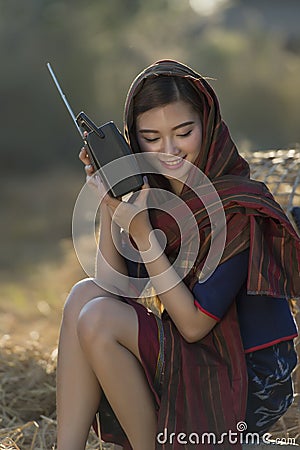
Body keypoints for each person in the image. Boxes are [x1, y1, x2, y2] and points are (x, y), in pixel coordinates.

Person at [56, 60, 300, 450]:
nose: (168, 151)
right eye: (151, 138)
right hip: (195, 357)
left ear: (208, 124)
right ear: (134, 141)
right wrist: (109, 203)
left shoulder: (237, 205)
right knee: (84, 296)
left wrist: (142, 234)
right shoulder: (156, 196)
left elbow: (193, 325)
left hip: (248, 380)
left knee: (99, 317)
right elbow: (112, 290)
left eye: (183, 132)